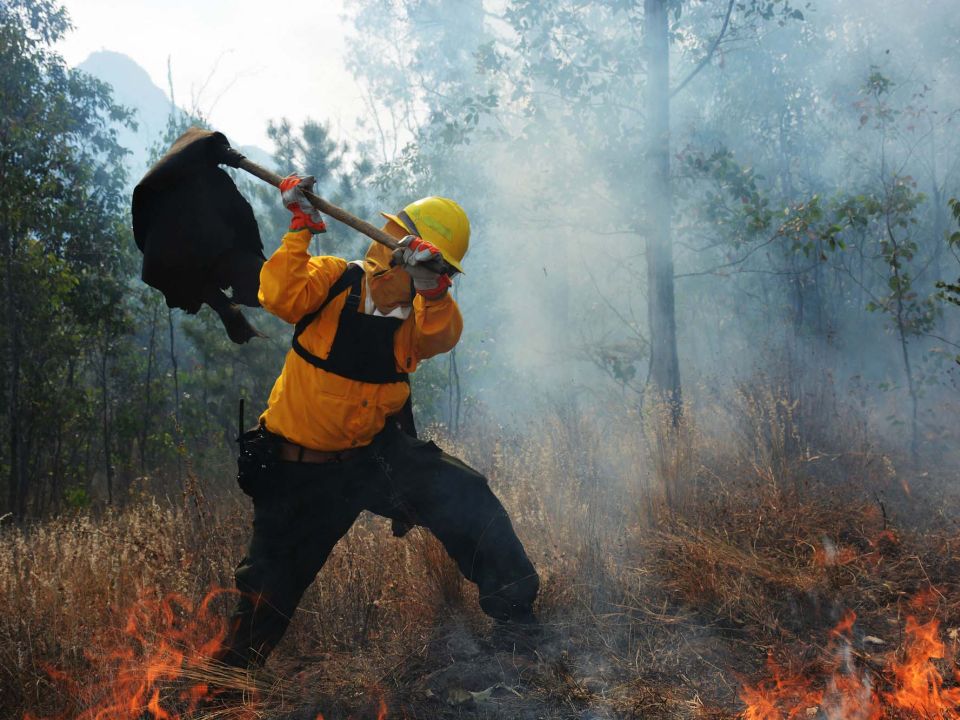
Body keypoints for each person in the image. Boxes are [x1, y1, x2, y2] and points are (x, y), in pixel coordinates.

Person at [217, 174, 539, 668]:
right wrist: (300, 227)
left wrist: (432, 291)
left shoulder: (420, 316)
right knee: (268, 591)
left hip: (374, 459)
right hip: (299, 471)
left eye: (438, 270)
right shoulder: (332, 278)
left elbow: (442, 337)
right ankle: (224, 685)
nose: (424, 274)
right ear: (389, 246)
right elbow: (279, 296)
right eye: (424, 264)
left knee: (469, 497)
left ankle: (518, 620)